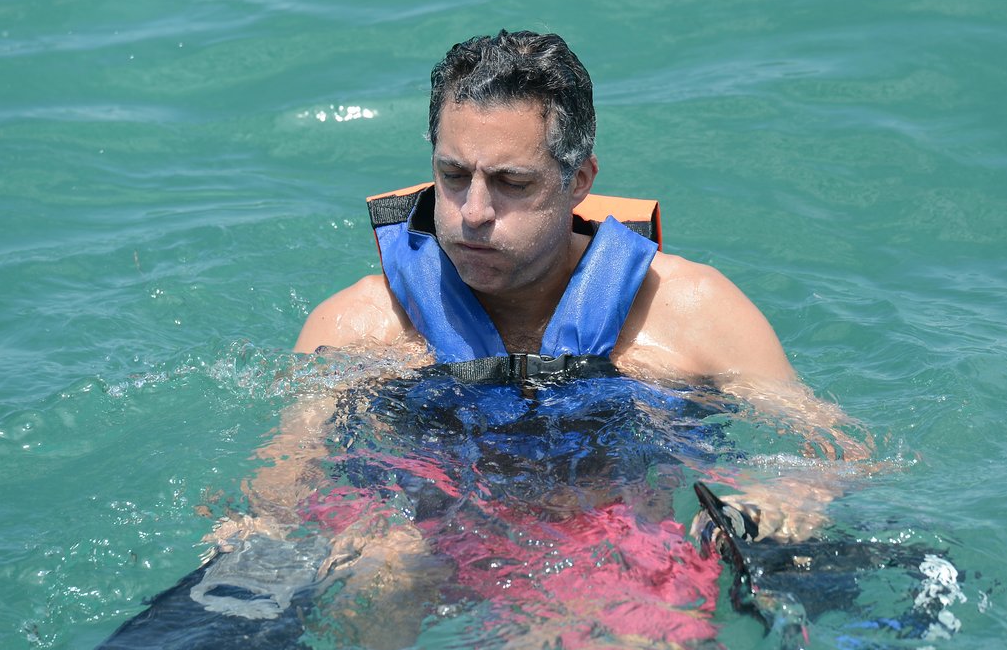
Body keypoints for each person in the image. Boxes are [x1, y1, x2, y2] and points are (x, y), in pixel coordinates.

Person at [292, 30, 862, 542]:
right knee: (382, 564)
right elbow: (285, 474)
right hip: (432, 547)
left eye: (513, 182)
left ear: (579, 181)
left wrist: (786, 494)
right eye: (454, 175)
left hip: (619, 552)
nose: (474, 212)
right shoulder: (358, 327)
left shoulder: (693, 313)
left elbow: (834, 451)